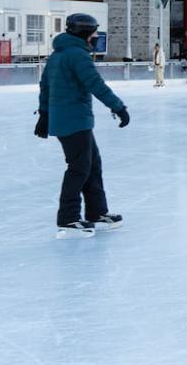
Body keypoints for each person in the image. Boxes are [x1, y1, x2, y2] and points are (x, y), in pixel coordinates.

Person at [35, 13, 131, 239]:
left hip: (70, 120)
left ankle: (97, 212)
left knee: (92, 165)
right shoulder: (77, 56)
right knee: (79, 168)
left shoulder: (58, 55)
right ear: (84, 33)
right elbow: (95, 85)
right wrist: (118, 107)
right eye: (94, 32)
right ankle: (68, 219)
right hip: (74, 120)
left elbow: (44, 86)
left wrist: (44, 114)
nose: (96, 36)